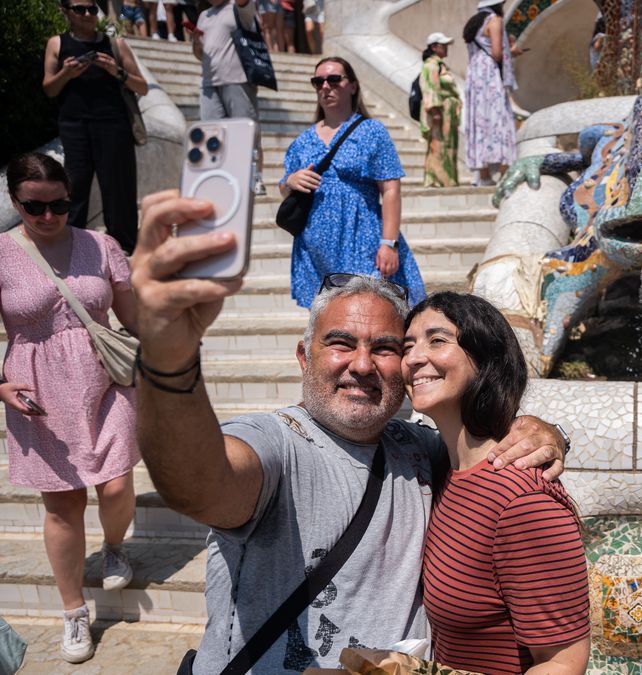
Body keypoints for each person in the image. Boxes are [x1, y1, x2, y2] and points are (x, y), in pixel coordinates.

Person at [131, 197, 571, 671]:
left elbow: (484, 453)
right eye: (341, 343)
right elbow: (198, 482)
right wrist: (169, 360)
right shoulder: (276, 441)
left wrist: (552, 433)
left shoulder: (421, 447)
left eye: (385, 348)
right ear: (304, 357)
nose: (362, 365)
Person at [403, 292, 590, 674]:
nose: (414, 358)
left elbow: (562, 663)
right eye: (408, 345)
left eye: (437, 340)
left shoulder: (521, 501)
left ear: (486, 359)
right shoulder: (440, 467)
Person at [1, 154, 140, 665]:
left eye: (59, 203)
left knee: (119, 483)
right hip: (37, 393)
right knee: (62, 505)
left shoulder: (100, 245)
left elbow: (132, 316)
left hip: (106, 381)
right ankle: (73, 611)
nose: (49, 216)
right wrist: (1, 386)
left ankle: (114, 545)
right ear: (16, 202)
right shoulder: (1, 253)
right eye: (35, 206)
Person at [281, 57, 426, 309]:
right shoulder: (303, 140)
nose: (325, 86)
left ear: (353, 86)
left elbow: (391, 189)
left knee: (376, 309)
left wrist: (389, 243)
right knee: (331, 317)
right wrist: (291, 181)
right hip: (315, 248)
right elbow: (284, 188)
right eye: (318, 81)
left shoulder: (372, 131)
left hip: (363, 238)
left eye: (334, 79)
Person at [42, 0, 150, 255]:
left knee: (119, 189)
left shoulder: (115, 43)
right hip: (75, 126)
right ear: (66, 12)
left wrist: (117, 71)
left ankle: (123, 248)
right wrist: (66, 74)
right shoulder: (57, 44)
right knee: (75, 188)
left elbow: (142, 86)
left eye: (92, 8)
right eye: (80, 9)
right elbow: (49, 89)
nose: (88, 14)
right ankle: (71, 248)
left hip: (114, 125)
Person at [191, 0, 266, 195]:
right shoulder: (204, 15)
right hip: (209, 83)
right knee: (211, 135)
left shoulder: (238, 7)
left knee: (248, 134)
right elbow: (199, 55)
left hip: (238, 80)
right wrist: (196, 42)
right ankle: (220, 179)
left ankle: (255, 179)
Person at [464, 0, 518, 186]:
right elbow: (496, 52)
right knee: (498, 118)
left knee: (480, 120)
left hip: (475, 72)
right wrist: (510, 53)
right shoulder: (494, 20)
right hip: (489, 73)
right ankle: (504, 170)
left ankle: (484, 175)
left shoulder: (474, 23)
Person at [419, 33, 462, 188]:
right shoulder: (431, 65)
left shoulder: (440, 65)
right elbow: (430, 88)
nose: (446, 48)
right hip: (440, 111)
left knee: (447, 145)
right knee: (439, 145)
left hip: (447, 111)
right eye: (442, 45)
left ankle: (446, 179)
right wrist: (434, 110)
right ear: (434, 47)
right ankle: (437, 179)